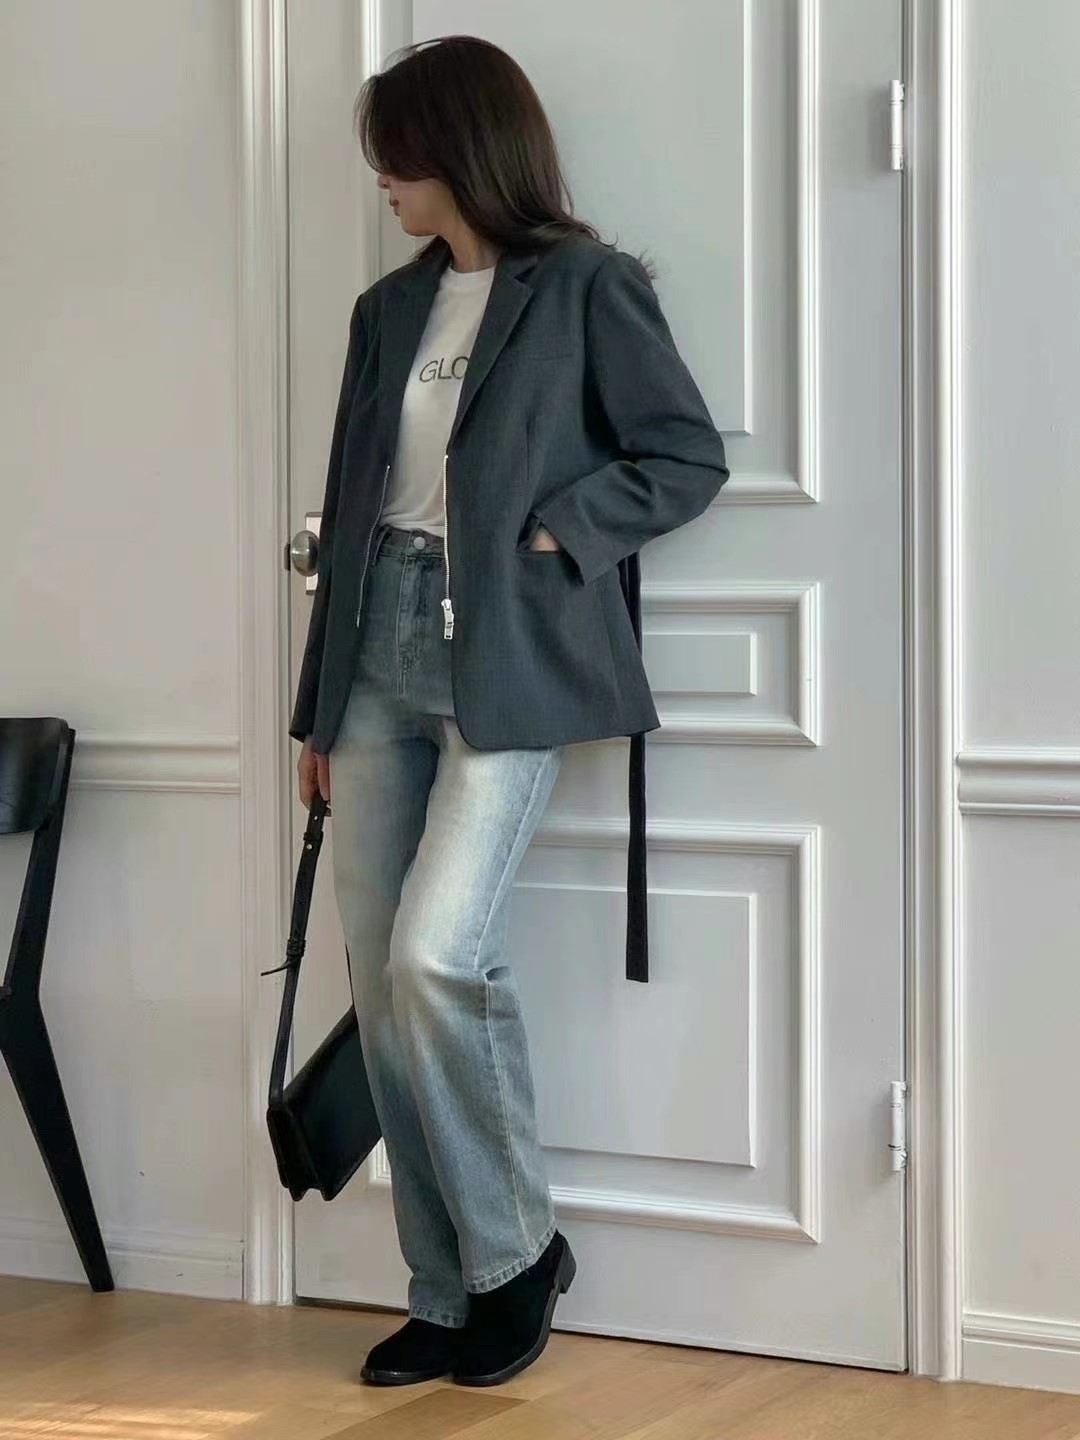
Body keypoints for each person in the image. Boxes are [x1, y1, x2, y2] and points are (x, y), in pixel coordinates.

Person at [291, 34, 729, 1388]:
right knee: (383, 987)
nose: (382, 180)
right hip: (374, 652)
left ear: (460, 148)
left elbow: (682, 456)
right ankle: (443, 1288)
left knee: (434, 961)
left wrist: (556, 533)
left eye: (397, 156)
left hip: (505, 658)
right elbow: (351, 508)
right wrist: (314, 710)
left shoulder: (587, 287)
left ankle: (516, 1255)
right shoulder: (386, 311)